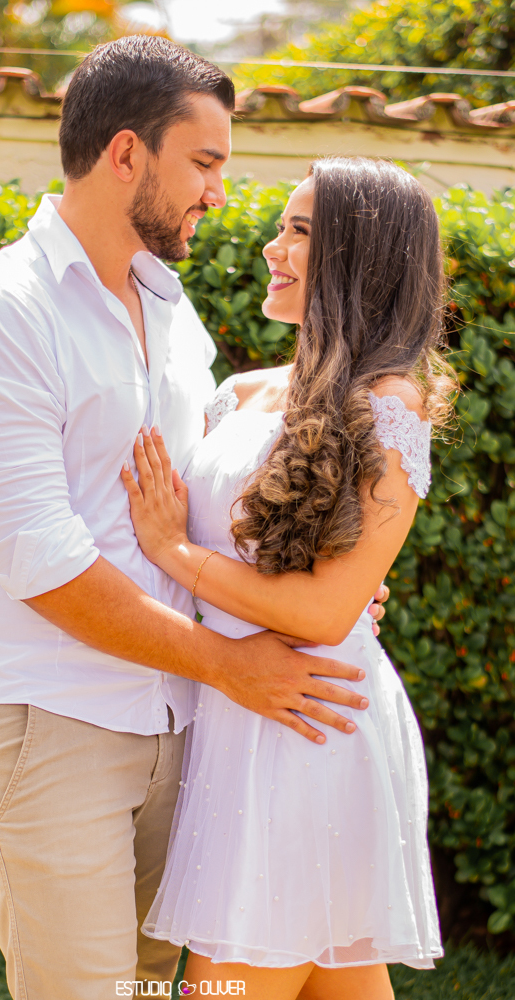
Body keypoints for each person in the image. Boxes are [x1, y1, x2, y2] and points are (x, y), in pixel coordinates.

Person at [0, 36, 385, 1000]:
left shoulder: (175, 315)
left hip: (178, 721)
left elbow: (215, 499)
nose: (220, 191)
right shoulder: (0, 315)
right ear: (126, 153)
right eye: (204, 162)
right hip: (46, 719)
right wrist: (234, 664)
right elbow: (42, 557)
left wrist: (330, 589)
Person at [119, 158, 456, 999]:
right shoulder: (237, 394)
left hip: (308, 724)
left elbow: (325, 607)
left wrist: (176, 555)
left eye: (300, 230)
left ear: (361, 253)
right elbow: (127, 492)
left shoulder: (390, 403)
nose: (273, 246)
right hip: (231, 716)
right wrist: (0, 518)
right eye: (282, 226)